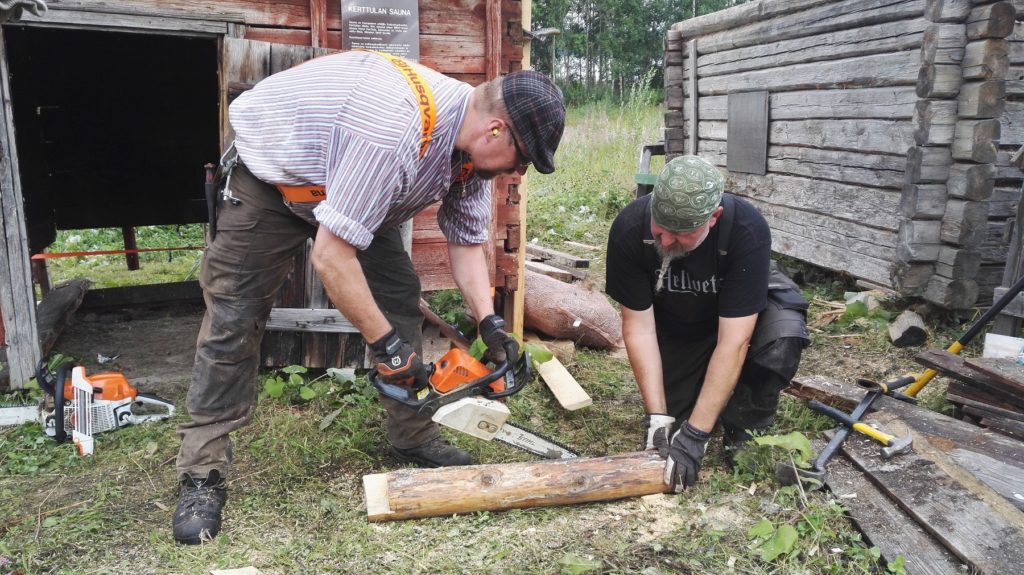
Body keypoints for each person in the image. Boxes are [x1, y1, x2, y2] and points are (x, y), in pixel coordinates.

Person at [172, 50, 565, 544]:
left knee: (398, 297)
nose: (519, 172)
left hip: (353, 185)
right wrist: (387, 348)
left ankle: (412, 434)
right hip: (275, 183)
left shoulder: (469, 158)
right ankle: (202, 471)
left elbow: (466, 244)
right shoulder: (394, 128)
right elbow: (332, 258)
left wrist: (490, 323)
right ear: (496, 130)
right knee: (235, 315)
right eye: (522, 159)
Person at [605, 155, 808, 492]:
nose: (665, 242)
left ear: (713, 218)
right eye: (660, 229)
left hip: (735, 319)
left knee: (781, 336)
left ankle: (746, 423)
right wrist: (658, 417)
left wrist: (697, 435)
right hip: (681, 323)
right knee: (674, 423)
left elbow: (734, 341)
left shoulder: (745, 229)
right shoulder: (629, 229)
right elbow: (639, 328)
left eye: (680, 234)